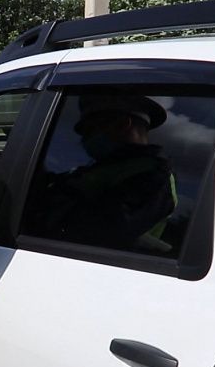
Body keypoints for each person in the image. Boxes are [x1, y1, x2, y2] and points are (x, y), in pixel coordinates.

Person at [38, 94, 177, 252]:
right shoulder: (105, 167)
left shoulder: (153, 176)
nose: (83, 140)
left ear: (122, 124)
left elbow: (97, 234)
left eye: (90, 130)